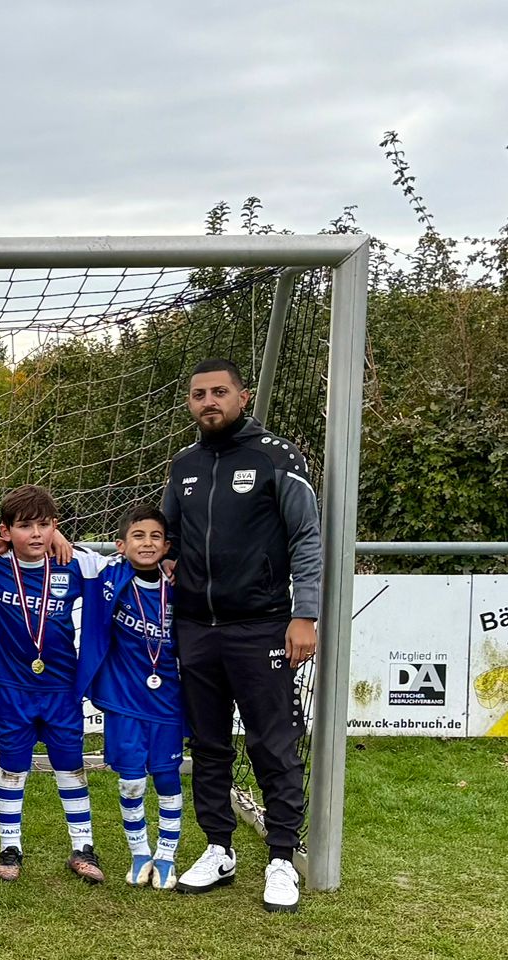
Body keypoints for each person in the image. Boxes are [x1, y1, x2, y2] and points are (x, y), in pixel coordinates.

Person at [164, 357, 322, 914]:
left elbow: (306, 537)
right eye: (199, 394)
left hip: (262, 625)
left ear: (243, 396)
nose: (209, 402)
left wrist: (304, 614)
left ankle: (281, 856)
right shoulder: (182, 465)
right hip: (195, 629)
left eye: (219, 392)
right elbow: (164, 540)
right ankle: (218, 848)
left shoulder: (276, 457)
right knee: (207, 744)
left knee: (272, 743)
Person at [0, 485, 108, 884]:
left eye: (44, 526)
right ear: (6, 530)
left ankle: (83, 847)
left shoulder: (73, 565)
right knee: (12, 768)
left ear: (55, 528)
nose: (35, 534)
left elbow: (110, 563)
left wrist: (66, 540)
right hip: (10, 689)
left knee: (71, 767)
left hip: (61, 690)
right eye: (24, 526)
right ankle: (10, 847)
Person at [81, 505, 186, 889]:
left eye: (155, 537)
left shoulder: (178, 583)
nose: (147, 543)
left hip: (169, 702)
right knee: (130, 782)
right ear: (120, 545)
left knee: (168, 778)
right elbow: (67, 552)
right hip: (125, 702)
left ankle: (167, 856)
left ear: (167, 546)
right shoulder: (109, 576)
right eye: (138, 536)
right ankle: (139, 852)